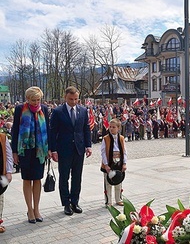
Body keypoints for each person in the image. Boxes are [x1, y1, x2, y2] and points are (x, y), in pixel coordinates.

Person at [50, 86, 92, 216]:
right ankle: (66, 203)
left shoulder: (83, 110)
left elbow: (86, 129)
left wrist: (88, 146)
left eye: (76, 99)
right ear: (65, 97)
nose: (73, 102)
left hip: (79, 149)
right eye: (71, 99)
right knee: (64, 177)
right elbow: (52, 132)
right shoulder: (57, 112)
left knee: (77, 177)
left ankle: (75, 202)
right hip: (64, 149)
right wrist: (53, 149)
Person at [11, 86, 50, 224]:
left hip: (39, 150)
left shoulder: (44, 109)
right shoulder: (20, 109)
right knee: (27, 179)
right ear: (27, 99)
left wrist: (49, 149)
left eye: (38, 99)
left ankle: (37, 209)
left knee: (38, 179)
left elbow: (47, 131)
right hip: (25, 149)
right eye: (33, 100)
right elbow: (15, 130)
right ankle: (30, 209)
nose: (36, 102)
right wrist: (14, 152)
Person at [100, 118, 127, 207]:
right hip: (109, 163)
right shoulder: (106, 139)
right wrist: (106, 165)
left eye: (113, 127)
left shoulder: (121, 138)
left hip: (118, 162)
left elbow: (124, 151)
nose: (111, 129)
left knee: (118, 181)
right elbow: (103, 152)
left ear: (118, 128)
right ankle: (108, 201)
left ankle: (118, 199)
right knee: (108, 183)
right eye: (110, 127)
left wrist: (124, 163)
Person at [0, 132, 14, 233]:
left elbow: (9, 156)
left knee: (0, 200)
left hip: (1, 176)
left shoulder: (3, 137)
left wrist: (9, 172)